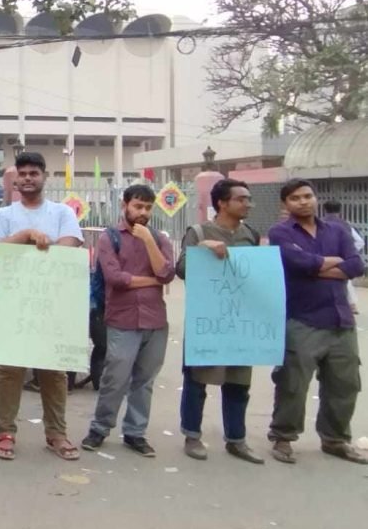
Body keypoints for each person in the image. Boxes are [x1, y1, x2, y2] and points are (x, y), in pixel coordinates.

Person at [0, 151, 84, 461]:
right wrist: (26, 235)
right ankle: (5, 433)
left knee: (54, 372)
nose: (28, 178)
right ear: (15, 180)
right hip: (16, 304)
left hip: (53, 303)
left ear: (44, 177)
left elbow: (71, 245)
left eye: (34, 173)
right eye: (23, 174)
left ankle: (57, 433)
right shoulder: (3, 215)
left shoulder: (61, 213)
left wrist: (43, 244)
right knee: (9, 371)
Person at [267, 180, 366, 465]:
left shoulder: (337, 229)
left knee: (345, 384)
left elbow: (356, 266)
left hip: (340, 320)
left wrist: (318, 266)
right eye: (295, 198)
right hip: (302, 319)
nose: (303, 202)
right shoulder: (280, 232)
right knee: (293, 383)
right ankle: (283, 436)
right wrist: (332, 266)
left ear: (315, 198)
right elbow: (297, 264)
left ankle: (335, 439)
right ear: (286, 203)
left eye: (308, 196)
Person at [80, 185, 175, 457]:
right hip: (122, 319)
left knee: (145, 381)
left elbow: (167, 274)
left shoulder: (159, 238)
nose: (142, 212)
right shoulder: (110, 238)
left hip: (155, 321)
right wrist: (151, 280)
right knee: (115, 378)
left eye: (147, 207)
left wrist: (147, 241)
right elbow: (116, 279)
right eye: (137, 206)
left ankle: (135, 432)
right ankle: (99, 428)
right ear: (125, 206)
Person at [175, 178, 264, 463]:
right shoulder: (198, 231)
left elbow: (258, 275)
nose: (248, 203)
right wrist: (203, 248)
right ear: (223, 203)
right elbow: (183, 269)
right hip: (208, 320)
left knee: (238, 382)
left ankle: (236, 439)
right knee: (196, 380)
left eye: (248, 199)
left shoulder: (250, 234)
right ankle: (192, 435)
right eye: (242, 199)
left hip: (239, 322)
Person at [322, 200, 363, 314]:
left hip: (324, 260)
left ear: (325, 210)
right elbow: (360, 241)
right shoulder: (345, 224)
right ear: (340, 211)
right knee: (345, 281)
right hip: (342, 260)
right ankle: (351, 305)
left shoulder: (319, 223)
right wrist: (348, 252)